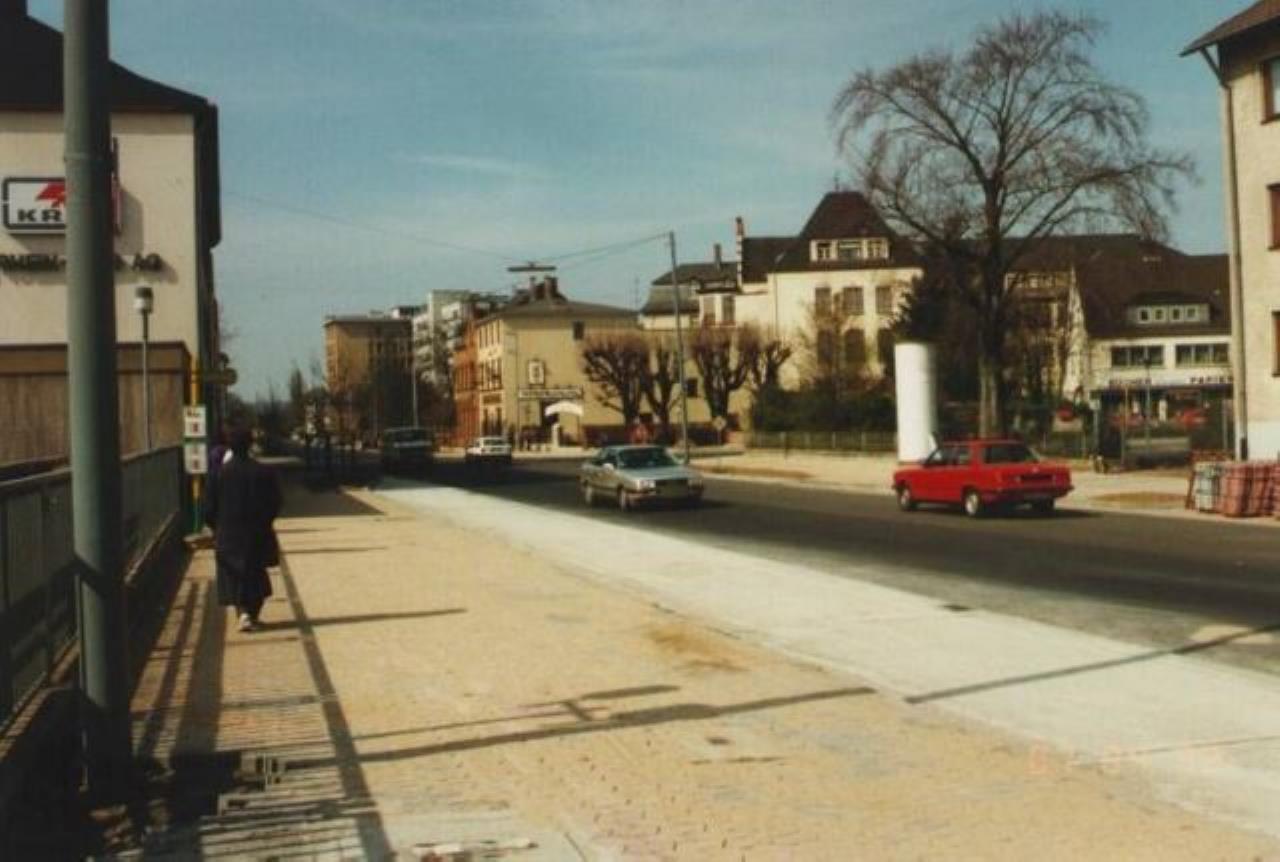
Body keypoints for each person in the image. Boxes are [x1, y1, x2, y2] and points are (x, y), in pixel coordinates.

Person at [205, 427, 282, 632]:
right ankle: (250, 614)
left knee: (233, 575)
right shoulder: (264, 472)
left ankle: (243, 613)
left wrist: (217, 527)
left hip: (228, 534)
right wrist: (265, 522)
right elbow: (275, 503)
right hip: (256, 533)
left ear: (229, 446)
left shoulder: (218, 474)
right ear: (250, 445)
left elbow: (209, 508)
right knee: (255, 574)